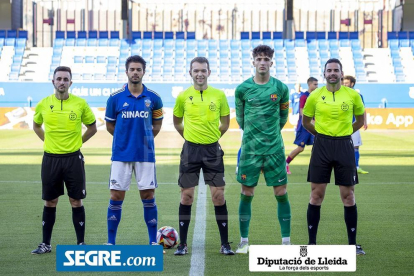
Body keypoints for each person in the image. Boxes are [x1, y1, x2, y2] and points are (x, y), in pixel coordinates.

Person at [302, 58, 366, 255]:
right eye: (329, 70)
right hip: (321, 146)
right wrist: (321, 136)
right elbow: (306, 122)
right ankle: (312, 244)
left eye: (335, 70)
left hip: (344, 146)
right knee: (316, 195)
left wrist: (344, 133)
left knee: (348, 196)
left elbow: (360, 120)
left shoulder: (353, 95)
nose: (332, 73)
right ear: (324, 73)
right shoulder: (315, 95)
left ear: (341, 72)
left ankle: (352, 245)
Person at [32, 66, 97, 254]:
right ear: (53, 81)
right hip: (50, 159)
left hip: (73, 159)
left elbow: (92, 128)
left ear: (70, 82)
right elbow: (36, 126)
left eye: (65, 79)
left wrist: (78, 143)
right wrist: (48, 141)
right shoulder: (44, 104)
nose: (62, 82)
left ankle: (81, 244)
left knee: (76, 201)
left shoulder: (80, 104)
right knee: (50, 201)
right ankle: (45, 244)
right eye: (59, 79)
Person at [173, 57, 234, 256]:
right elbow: (177, 122)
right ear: (190, 72)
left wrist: (213, 138)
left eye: (203, 70)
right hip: (190, 151)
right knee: (187, 196)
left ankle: (225, 244)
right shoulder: (183, 96)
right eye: (196, 70)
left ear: (209, 72)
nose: (200, 73)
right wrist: (189, 138)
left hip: (212, 152)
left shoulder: (219, 95)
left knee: (218, 196)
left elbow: (225, 123)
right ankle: (182, 244)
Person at [235, 45, 291, 254]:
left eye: (266, 59)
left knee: (281, 192)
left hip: (275, 149)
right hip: (250, 150)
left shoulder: (281, 88)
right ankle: (243, 241)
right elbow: (240, 118)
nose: (262, 62)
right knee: (246, 192)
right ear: (253, 61)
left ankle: (286, 242)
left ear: (271, 62)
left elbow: (283, 117)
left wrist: (271, 135)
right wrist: (252, 135)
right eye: (259, 58)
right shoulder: (242, 89)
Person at [104, 55, 163, 247]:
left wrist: (143, 141)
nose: (135, 72)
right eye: (132, 69)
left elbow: (157, 125)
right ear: (126, 71)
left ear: (144, 72)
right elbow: (110, 126)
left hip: (145, 154)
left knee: (148, 196)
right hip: (121, 154)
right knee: (116, 196)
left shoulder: (154, 98)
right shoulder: (115, 99)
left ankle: (153, 241)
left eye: (139, 69)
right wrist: (125, 140)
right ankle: (111, 242)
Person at [286, 77, 318, 174]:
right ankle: (285, 164)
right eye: (315, 84)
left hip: (315, 125)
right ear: (309, 84)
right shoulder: (304, 96)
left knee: (317, 146)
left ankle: (317, 167)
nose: (317, 86)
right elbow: (301, 111)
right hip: (304, 127)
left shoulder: (317, 96)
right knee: (300, 148)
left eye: (317, 84)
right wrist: (310, 122)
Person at [343, 75, 369, 174]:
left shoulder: (357, 95)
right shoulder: (340, 94)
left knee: (356, 146)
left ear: (352, 84)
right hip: (342, 124)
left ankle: (356, 166)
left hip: (354, 124)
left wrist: (365, 122)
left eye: (346, 83)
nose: (344, 84)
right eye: (344, 83)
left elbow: (362, 110)